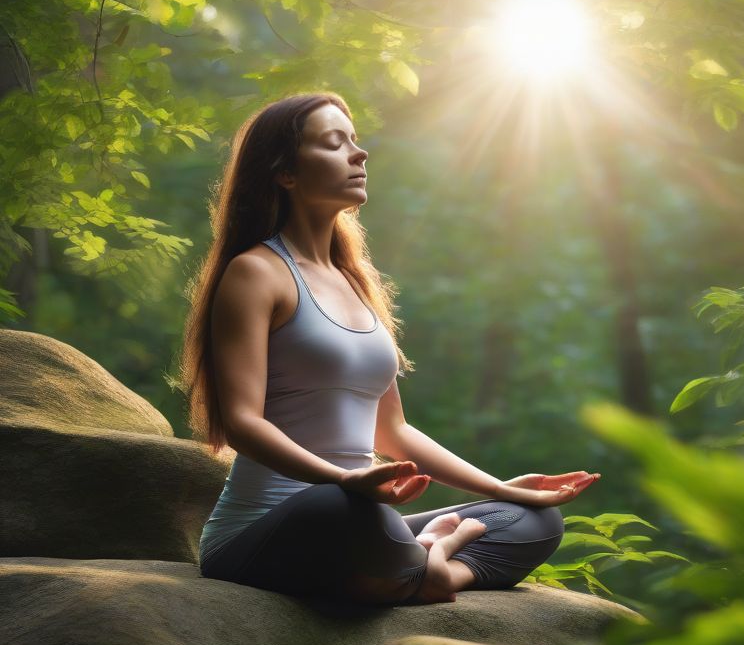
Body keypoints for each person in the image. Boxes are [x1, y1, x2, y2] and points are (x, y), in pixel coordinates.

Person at [177, 91, 600, 606]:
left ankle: (423, 568)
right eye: (336, 144)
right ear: (285, 172)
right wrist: (345, 480)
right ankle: (429, 562)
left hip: (365, 519)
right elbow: (244, 421)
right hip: (274, 528)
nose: (360, 154)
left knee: (534, 520)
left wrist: (505, 490)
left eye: (355, 141)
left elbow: (393, 430)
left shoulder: (355, 282)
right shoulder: (256, 274)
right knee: (338, 508)